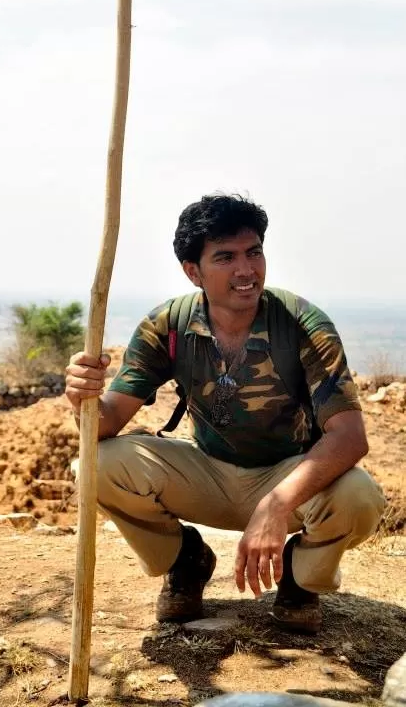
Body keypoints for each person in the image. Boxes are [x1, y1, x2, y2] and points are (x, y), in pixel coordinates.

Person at [65, 194, 385, 634]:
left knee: (359, 495)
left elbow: (350, 437)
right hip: (207, 472)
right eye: (226, 257)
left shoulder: (302, 324)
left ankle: (300, 576)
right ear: (193, 271)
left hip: (288, 478)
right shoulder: (169, 325)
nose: (246, 270)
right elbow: (104, 424)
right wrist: (81, 395)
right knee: (93, 465)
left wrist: (276, 505)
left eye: (254, 252)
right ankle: (185, 560)